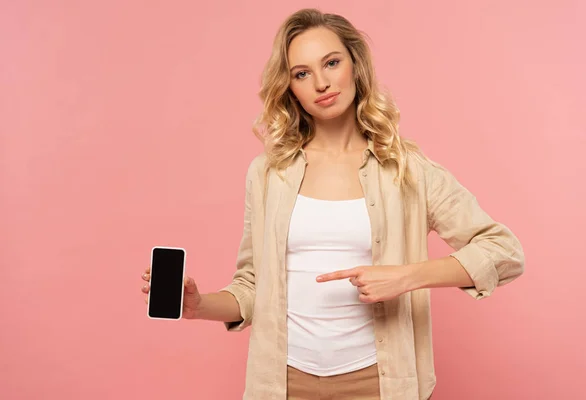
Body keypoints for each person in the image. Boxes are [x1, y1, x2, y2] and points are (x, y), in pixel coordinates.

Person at [140, 8, 525, 400]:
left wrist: (406, 276)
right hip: (283, 383)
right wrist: (199, 305)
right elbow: (254, 287)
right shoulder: (268, 174)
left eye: (332, 63)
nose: (321, 83)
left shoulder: (407, 170)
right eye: (301, 73)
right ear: (290, 87)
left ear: (355, 66)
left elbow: (503, 253)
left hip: (379, 383)